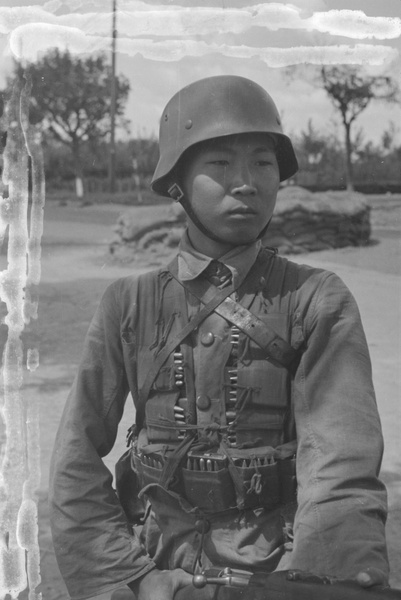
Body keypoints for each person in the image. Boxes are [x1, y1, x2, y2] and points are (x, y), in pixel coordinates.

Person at [49, 75, 389, 600]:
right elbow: (75, 457)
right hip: (151, 559)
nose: (246, 181)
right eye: (219, 164)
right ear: (179, 182)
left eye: (262, 162)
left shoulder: (316, 298)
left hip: (280, 568)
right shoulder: (128, 302)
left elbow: (341, 463)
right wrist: (126, 577)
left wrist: (315, 580)